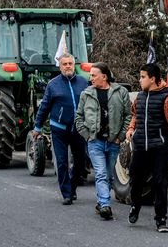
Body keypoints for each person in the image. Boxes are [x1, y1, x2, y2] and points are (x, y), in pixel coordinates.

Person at [125, 63, 168, 233]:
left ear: (153, 79)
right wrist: (130, 129)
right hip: (140, 147)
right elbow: (136, 114)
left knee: (160, 183)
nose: (140, 80)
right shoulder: (140, 97)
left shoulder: (166, 99)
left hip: (159, 148)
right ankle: (135, 206)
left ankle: (161, 220)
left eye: (143, 77)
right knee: (135, 181)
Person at [75, 62, 131, 220]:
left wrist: (120, 137)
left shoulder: (121, 92)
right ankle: (105, 205)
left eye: (94, 75)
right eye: (90, 75)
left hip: (113, 142)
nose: (90, 78)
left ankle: (101, 202)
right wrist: (87, 135)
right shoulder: (86, 94)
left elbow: (128, 116)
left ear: (104, 77)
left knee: (108, 176)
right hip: (95, 142)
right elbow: (79, 117)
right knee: (100, 174)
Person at [33, 53, 88, 205]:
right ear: (60, 66)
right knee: (62, 162)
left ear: (74, 64)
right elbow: (44, 107)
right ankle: (66, 194)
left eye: (70, 63)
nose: (68, 66)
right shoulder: (53, 85)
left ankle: (73, 187)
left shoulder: (84, 82)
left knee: (80, 162)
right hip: (59, 128)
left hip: (78, 128)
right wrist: (37, 127)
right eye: (65, 64)